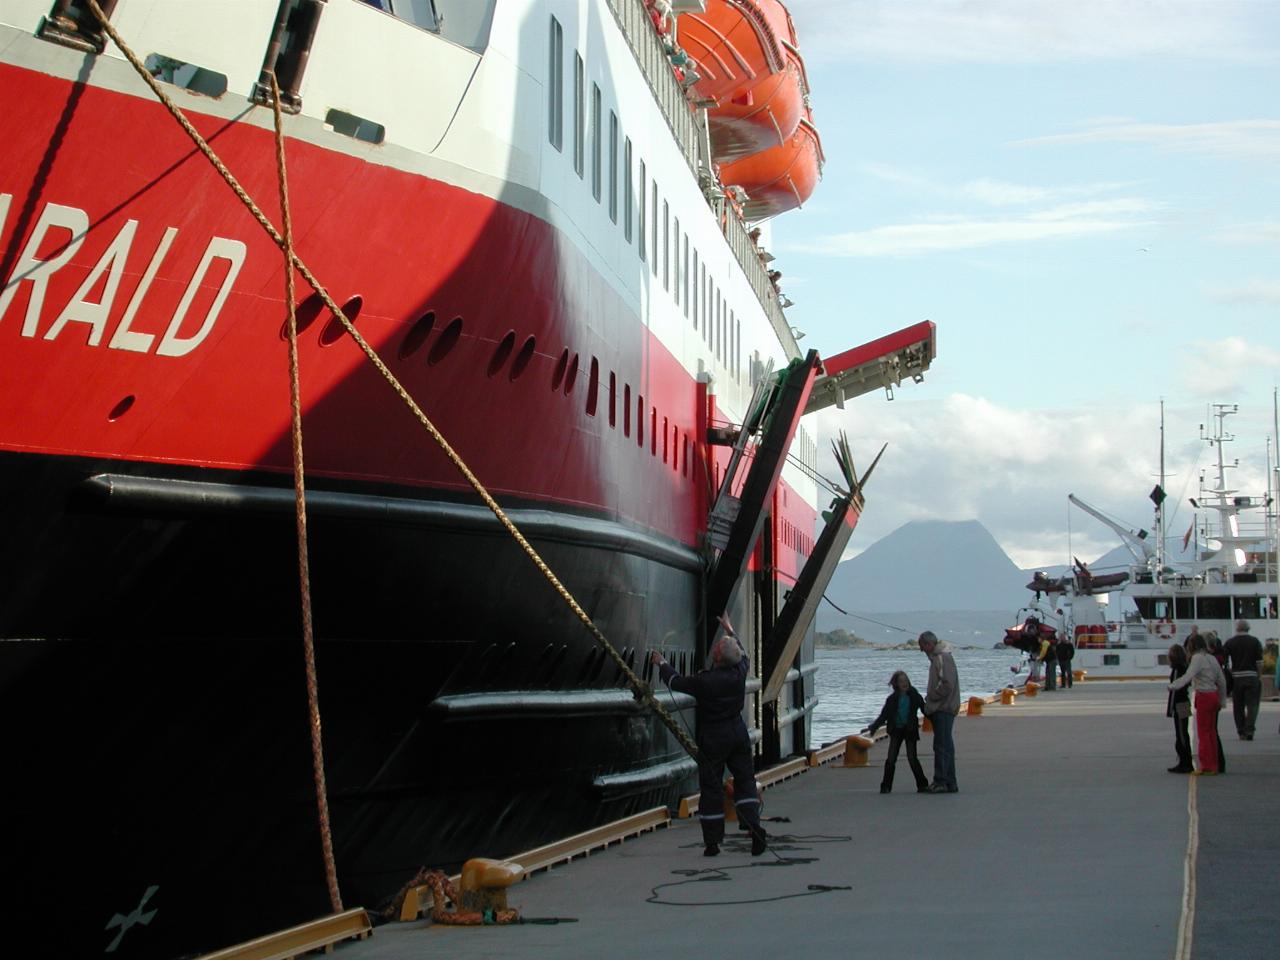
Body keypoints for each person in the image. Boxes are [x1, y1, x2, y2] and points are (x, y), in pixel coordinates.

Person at [650, 620, 767, 857]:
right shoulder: (740, 671)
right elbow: (744, 654)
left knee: (712, 787)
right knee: (745, 780)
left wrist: (660, 662)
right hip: (737, 732)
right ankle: (753, 827)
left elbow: (676, 682)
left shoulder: (705, 682)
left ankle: (712, 842)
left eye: (717, 648)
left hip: (714, 736)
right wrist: (731, 630)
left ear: (718, 658)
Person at [1169, 634, 1228, 775]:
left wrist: (1173, 685)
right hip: (1214, 695)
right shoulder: (1212, 658)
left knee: (1204, 733)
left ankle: (1207, 766)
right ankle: (1215, 764)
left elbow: (1188, 676)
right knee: (1212, 732)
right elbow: (1221, 681)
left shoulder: (1197, 658)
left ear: (1192, 645)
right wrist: (1222, 699)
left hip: (1204, 696)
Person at [865, 671, 930, 794]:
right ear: (896, 684)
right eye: (901, 681)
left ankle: (922, 784)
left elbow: (924, 709)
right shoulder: (892, 699)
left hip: (910, 730)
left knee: (912, 758)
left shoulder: (914, 695)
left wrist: (935, 718)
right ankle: (886, 786)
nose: (904, 683)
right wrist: (874, 727)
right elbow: (884, 715)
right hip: (896, 730)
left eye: (906, 681)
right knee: (891, 758)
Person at [917, 631, 959, 793]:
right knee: (945, 745)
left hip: (943, 707)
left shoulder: (941, 658)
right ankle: (949, 781)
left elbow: (947, 684)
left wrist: (931, 697)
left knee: (941, 745)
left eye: (922, 646)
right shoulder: (940, 657)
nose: (921, 650)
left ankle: (941, 781)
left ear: (929, 644)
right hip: (945, 707)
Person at [1223, 619, 1263, 740]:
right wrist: (1258, 675)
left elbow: (1224, 660)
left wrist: (1230, 671)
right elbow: (1259, 662)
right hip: (1252, 676)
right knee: (1253, 705)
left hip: (1237, 678)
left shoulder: (1230, 642)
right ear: (1248, 628)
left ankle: (1241, 731)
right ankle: (1250, 730)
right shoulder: (1255, 642)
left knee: (1238, 706)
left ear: (1237, 629)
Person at [1165, 644, 1193, 773]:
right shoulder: (1184, 667)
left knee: (1181, 733)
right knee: (1183, 732)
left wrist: (1170, 710)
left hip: (1179, 704)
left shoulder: (1177, 670)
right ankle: (1184, 761)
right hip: (1184, 703)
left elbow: (1175, 692)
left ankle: (1185, 762)